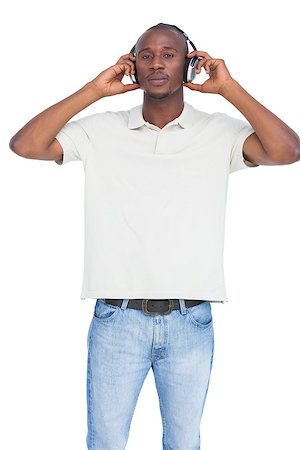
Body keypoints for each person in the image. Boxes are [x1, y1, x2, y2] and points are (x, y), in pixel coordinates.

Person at [9, 22, 300, 450]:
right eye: (146, 55)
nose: (157, 62)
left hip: (191, 320)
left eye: (169, 53)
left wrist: (229, 89)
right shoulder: (101, 130)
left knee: (184, 444)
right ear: (133, 67)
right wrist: (94, 90)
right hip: (116, 320)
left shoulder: (219, 133)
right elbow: (25, 145)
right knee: (105, 442)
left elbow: (287, 151)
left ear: (189, 65)